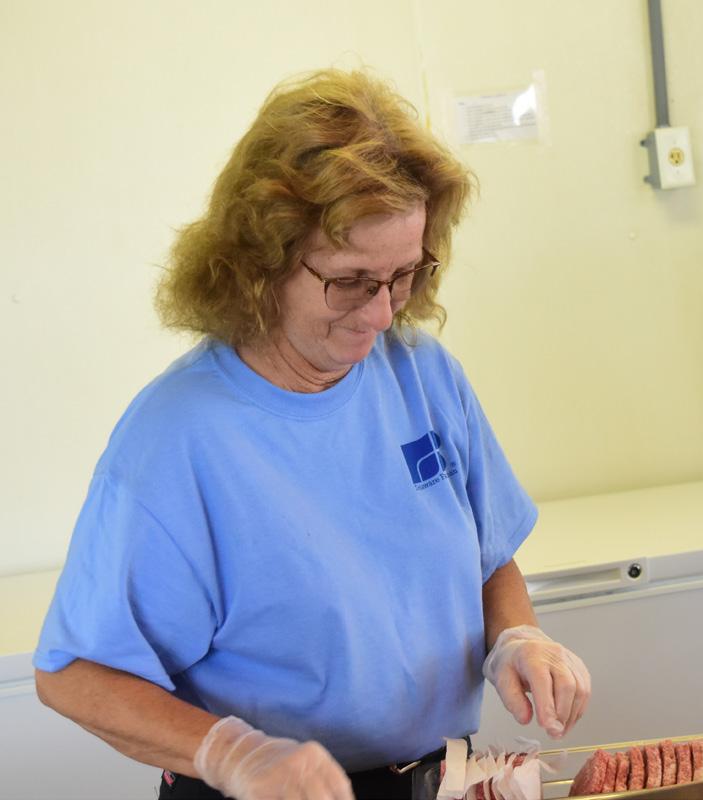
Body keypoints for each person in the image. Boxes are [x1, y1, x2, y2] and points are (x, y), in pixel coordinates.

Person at [34, 68, 590, 800]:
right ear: (260, 264)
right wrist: (232, 754)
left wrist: (518, 637)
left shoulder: (422, 373)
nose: (383, 313)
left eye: (404, 275)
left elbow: (488, 558)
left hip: (434, 776)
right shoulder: (177, 440)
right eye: (351, 280)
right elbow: (75, 675)